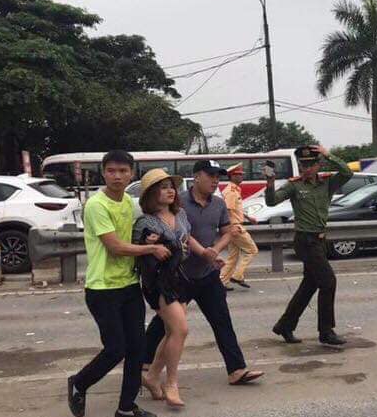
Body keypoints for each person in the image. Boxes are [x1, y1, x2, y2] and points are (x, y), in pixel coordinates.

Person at [67, 150, 170, 417]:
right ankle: (79, 383)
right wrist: (151, 249)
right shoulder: (96, 205)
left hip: (129, 285)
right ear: (103, 173)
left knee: (137, 348)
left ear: (131, 174)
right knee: (116, 349)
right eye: (111, 171)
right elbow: (114, 247)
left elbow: (133, 235)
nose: (117, 176)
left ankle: (126, 407)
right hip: (102, 289)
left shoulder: (128, 202)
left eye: (123, 171)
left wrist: (148, 238)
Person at [144, 160, 264, 386]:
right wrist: (203, 252)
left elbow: (227, 231)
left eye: (218, 176)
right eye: (210, 176)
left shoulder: (218, 204)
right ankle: (144, 361)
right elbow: (180, 232)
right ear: (197, 176)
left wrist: (215, 250)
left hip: (207, 274)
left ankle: (237, 369)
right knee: (165, 323)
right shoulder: (178, 203)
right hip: (180, 275)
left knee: (222, 320)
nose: (215, 180)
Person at [133, 169, 227, 407]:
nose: (170, 191)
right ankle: (171, 383)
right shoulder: (146, 222)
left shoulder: (181, 214)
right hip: (158, 281)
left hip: (179, 277)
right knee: (181, 329)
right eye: (163, 187)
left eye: (171, 187)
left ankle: (152, 376)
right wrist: (150, 245)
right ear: (151, 194)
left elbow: (188, 239)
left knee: (171, 332)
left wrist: (207, 254)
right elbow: (139, 250)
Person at [265, 145, 352, 346]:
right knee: (328, 282)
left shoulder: (327, 183)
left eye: (310, 164)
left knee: (309, 285)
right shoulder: (294, 185)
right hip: (305, 241)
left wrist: (328, 155)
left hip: (320, 240)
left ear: (318, 165)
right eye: (302, 165)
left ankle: (285, 325)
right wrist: (270, 183)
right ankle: (326, 331)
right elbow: (272, 202)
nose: (306, 168)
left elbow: (347, 173)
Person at [219, 163, 259, 290]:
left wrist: (248, 218)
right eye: (239, 174)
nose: (242, 176)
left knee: (233, 257)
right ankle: (237, 276)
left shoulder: (234, 189)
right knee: (252, 250)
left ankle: (222, 282)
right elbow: (227, 210)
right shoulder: (231, 192)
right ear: (232, 176)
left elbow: (235, 209)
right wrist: (231, 227)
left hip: (234, 226)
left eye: (242, 174)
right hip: (235, 227)